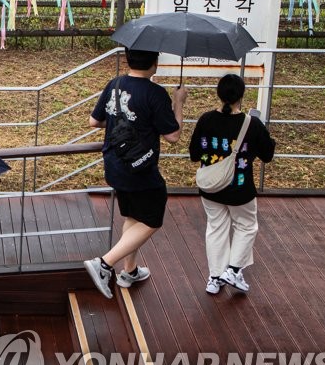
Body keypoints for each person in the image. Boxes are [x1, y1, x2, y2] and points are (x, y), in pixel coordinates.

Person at [84, 49, 187, 298]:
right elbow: (173, 135)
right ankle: (104, 263)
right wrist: (179, 103)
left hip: (115, 166)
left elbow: (94, 122)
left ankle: (129, 271)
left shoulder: (115, 83)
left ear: (128, 59)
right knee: (151, 220)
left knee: (133, 216)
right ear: (155, 63)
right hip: (141, 169)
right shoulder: (155, 93)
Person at [189, 74, 275, 294]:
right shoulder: (251, 123)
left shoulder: (206, 119)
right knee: (246, 226)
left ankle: (215, 277)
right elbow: (267, 154)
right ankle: (233, 270)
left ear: (219, 94)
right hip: (240, 189)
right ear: (241, 95)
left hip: (210, 187)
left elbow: (194, 153)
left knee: (216, 228)